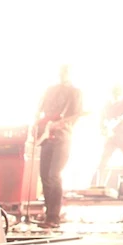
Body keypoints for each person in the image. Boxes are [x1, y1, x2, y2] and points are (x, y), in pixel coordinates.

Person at [33, 65, 84, 228]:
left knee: (54, 175)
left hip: (62, 136)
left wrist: (61, 124)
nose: (63, 75)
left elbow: (76, 115)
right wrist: (40, 127)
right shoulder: (50, 90)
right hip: (46, 136)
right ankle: (49, 213)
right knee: (44, 176)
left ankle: (54, 217)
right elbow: (40, 111)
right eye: (61, 72)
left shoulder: (75, 92)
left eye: (66, 72)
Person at [96, 84, 123, 182]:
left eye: (117, 94)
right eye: (114, 94)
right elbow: (101, 121)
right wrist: (104, 130)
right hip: (111, 137)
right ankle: (99, 185)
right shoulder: (106, 105)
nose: (115, 96)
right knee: (102, 163)